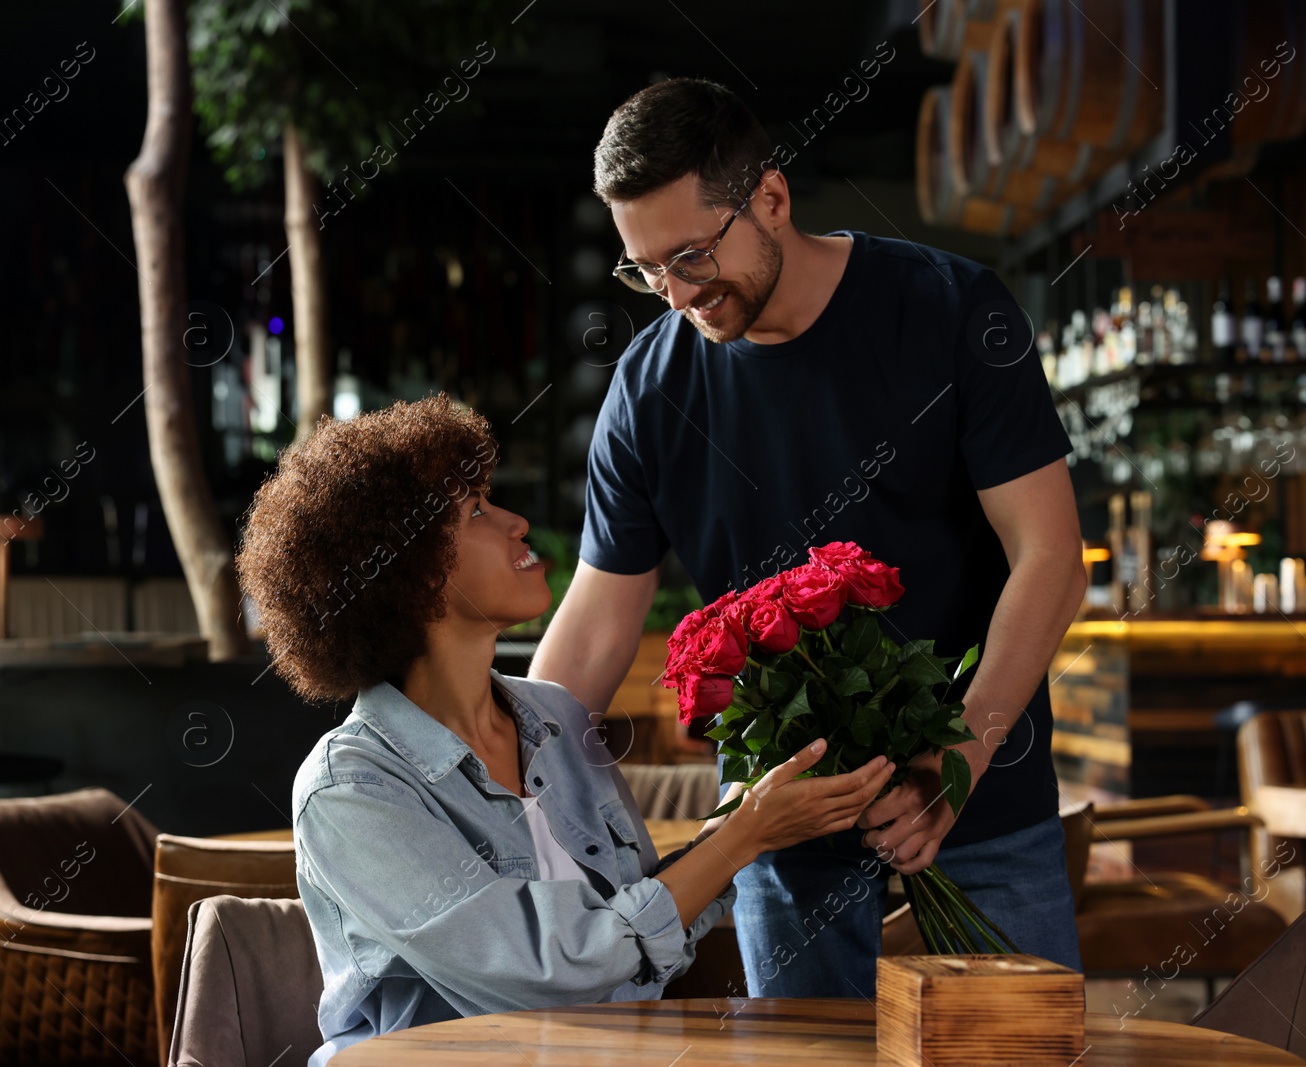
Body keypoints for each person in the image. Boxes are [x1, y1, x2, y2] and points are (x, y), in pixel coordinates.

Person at [531, 78, 1087, 999]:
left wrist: (957, 764)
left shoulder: (952, 309)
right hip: (780, 830)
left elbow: (1052, 560)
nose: (677, 295)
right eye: (647, 270)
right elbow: (591, 631)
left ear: (773, 200)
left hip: (984, 795)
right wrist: (479, 776)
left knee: (1020, 1054)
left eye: (694, 255)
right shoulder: (648, 388)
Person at [237, 395, 893, 1063]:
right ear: (407, 576)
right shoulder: (350, 790)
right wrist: (744, 834)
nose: (517, 522)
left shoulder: (556, 716)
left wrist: (744, 812)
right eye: (477, 513)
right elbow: (550, 970)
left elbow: (643, 926)